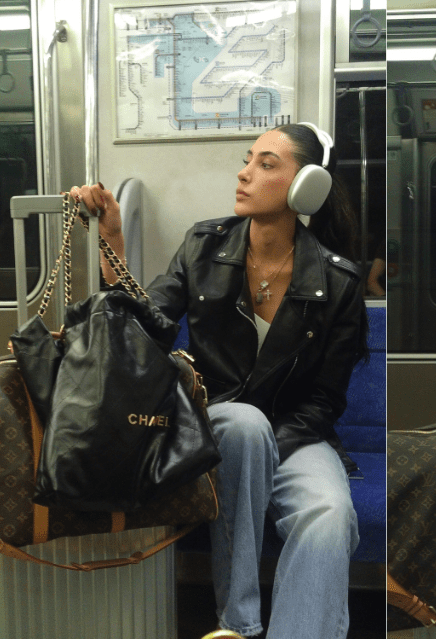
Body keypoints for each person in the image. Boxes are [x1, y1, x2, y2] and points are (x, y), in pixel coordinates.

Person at [70, 123, 367, 639]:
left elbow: (323, 401)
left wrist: (273, 449)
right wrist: (111, 240)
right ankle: (239, 625)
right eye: (248, 158)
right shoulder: (205, 246)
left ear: (308, 187)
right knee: (245, 425)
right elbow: (145, 328)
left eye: (266, 164)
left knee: (330, 515)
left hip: (297, 433)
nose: (244, 172)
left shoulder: (339, 281)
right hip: (218, 424)